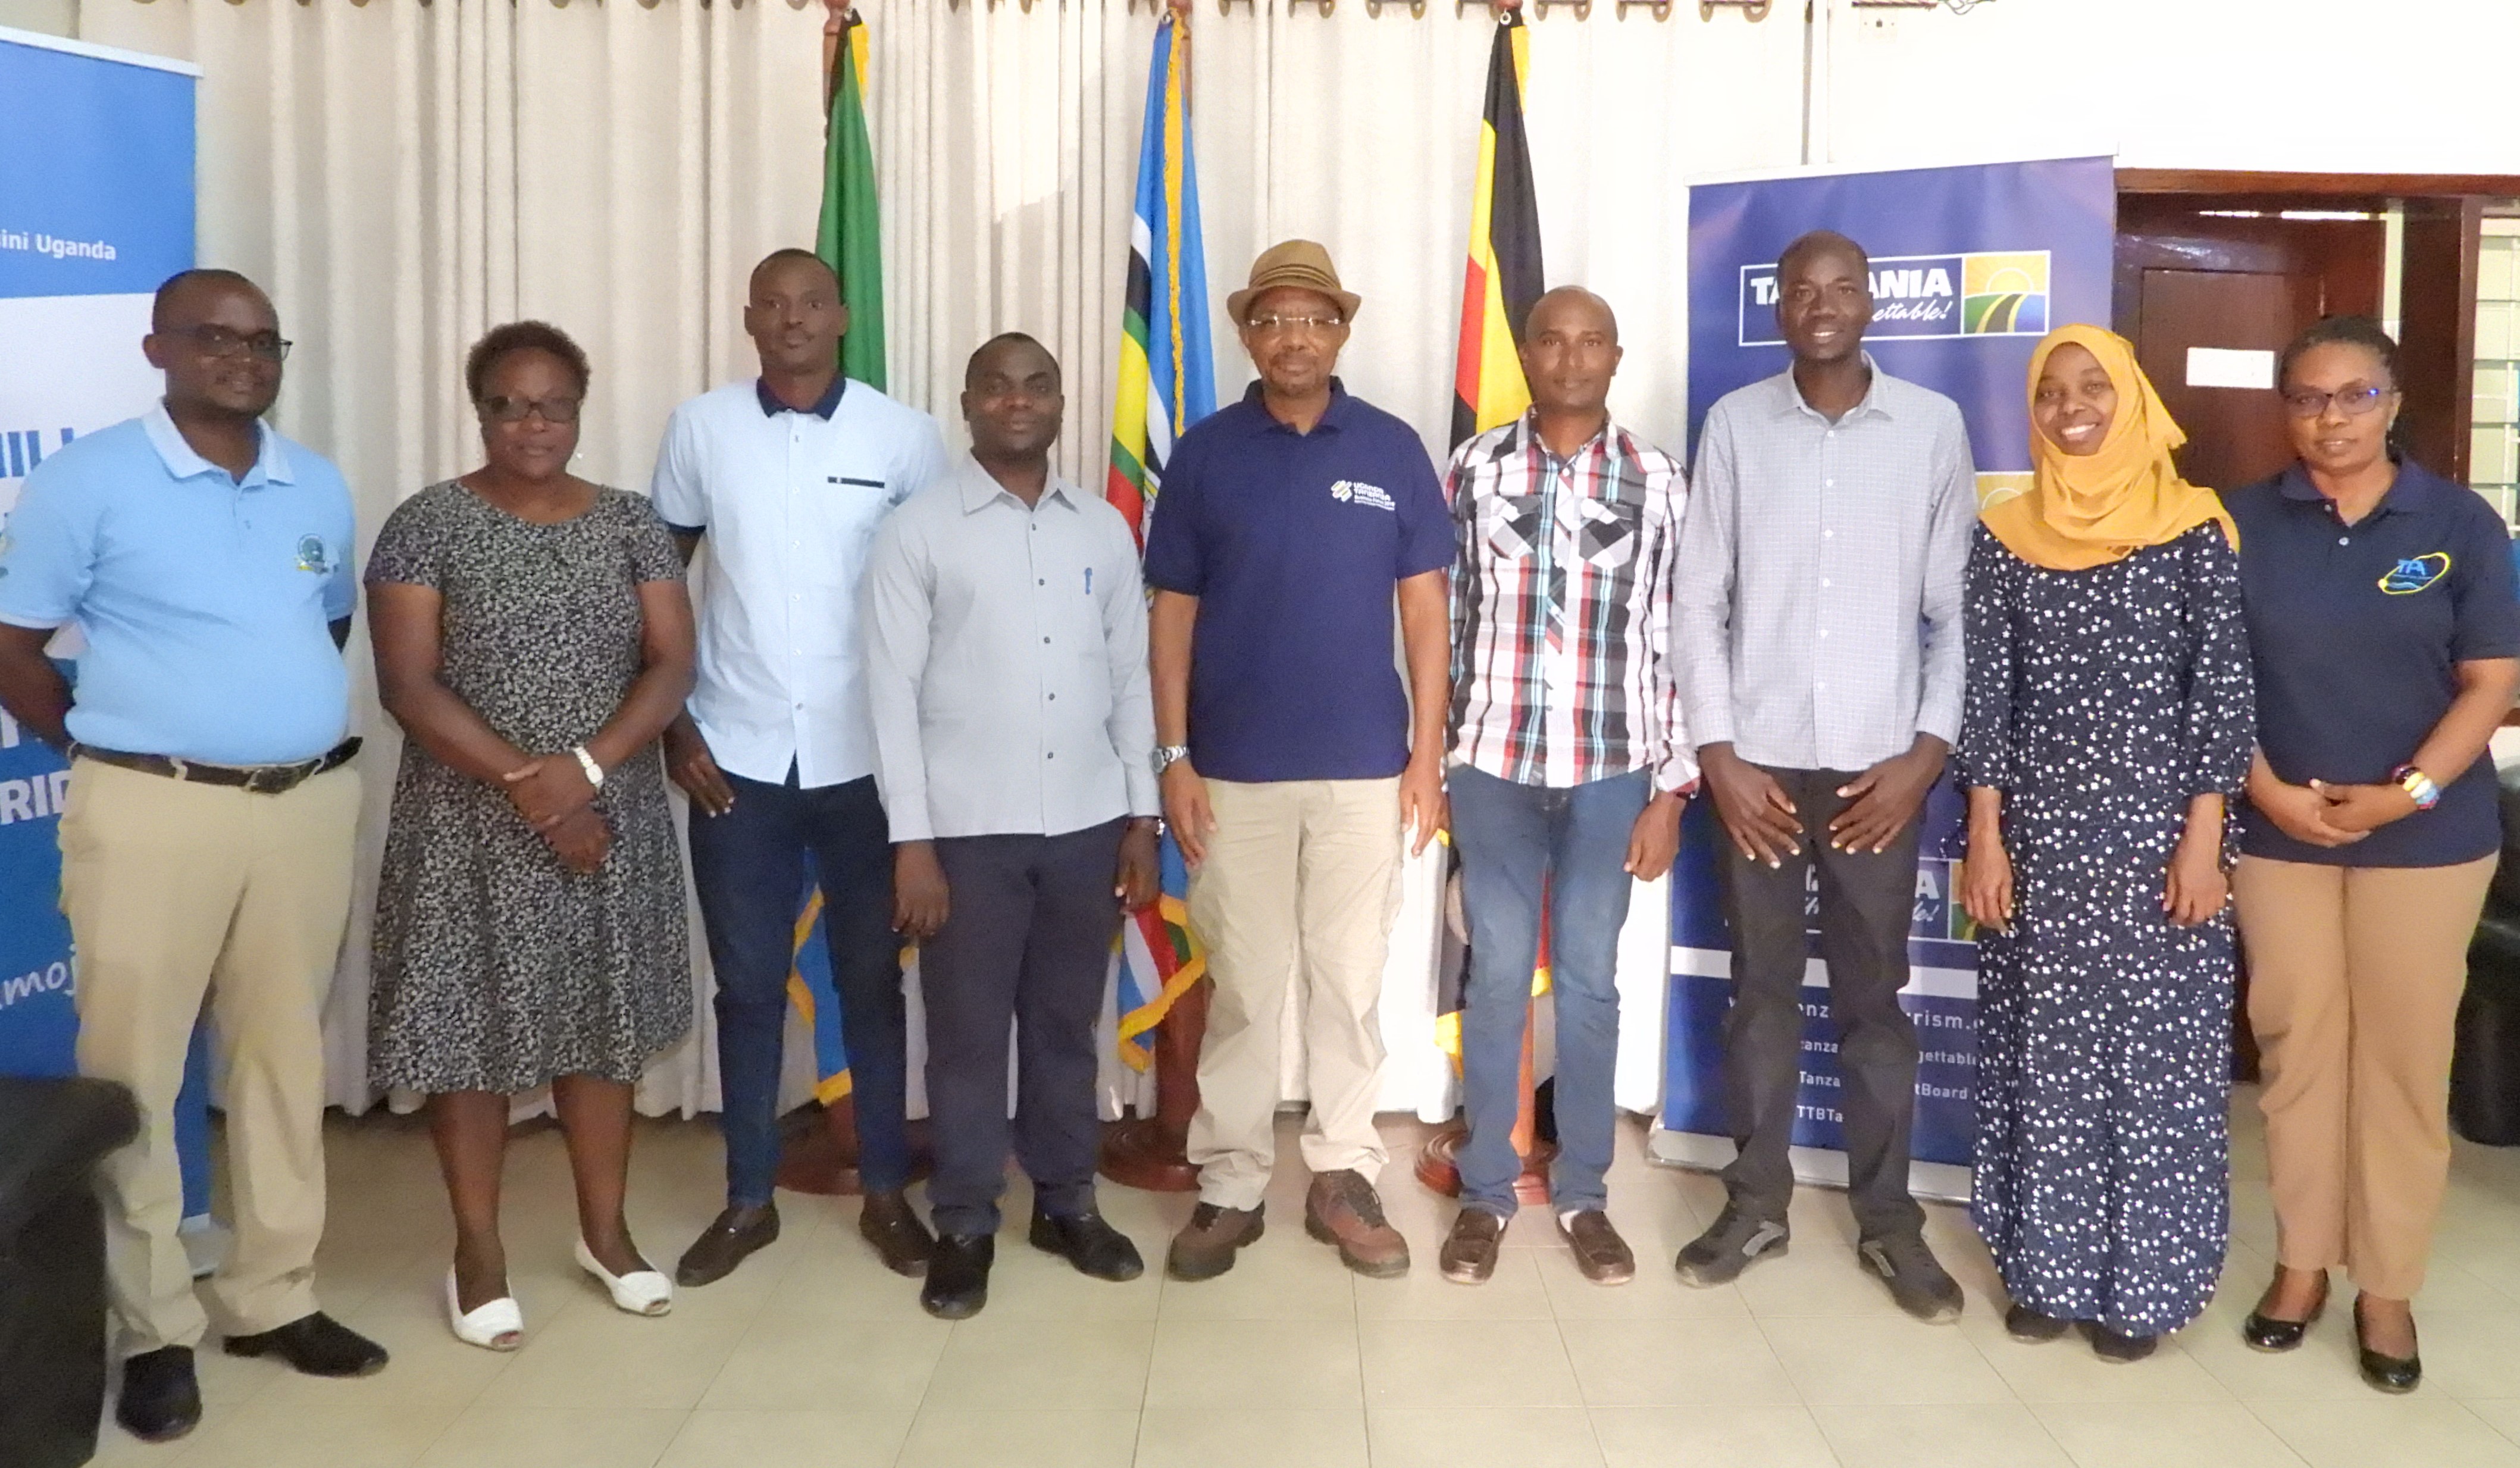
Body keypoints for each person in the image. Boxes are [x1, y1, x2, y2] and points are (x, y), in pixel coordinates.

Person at [0, 268, 386, 1442]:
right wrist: (103, 746)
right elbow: (14, 644)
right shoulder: (87, 481)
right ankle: (155, 1328)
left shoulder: (315, 483)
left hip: (302, 805)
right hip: (152, 811)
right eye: (215, 336)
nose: (243, 357)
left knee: (281, 1057)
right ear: (157, 348)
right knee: (136, 1075)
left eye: (263, 341)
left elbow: (322, 627)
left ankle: (272, 1295)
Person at [365, 321, 699, 1348]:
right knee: (468, 1039)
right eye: (508, 405)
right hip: (469, 825)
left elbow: (671, 665)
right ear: (480, 412)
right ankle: (478, 1254)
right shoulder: (426, 524)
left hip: (609, 818)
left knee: (602, 1027)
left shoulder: (632, 523)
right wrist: (537, 792)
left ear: (579, 410)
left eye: (553, 404)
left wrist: (585, 773)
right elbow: (407, 685)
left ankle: (606, 1235)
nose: (532, 424)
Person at [1671, 229, 1976, 1321]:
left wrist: (1924, 757)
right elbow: (1698, 598)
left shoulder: (1932, 427)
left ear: (1872, 302)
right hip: (1756, 770)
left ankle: (1889, 1222)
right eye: (1803, 290)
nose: (1824, 304)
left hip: (1877, 774)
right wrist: (1718, 752)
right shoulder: (1735, 425)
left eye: (1844, 287)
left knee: (1874, 1003)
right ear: (1781, 308)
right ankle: (1754, 1205)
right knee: (1758, 994)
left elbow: (1955, 612)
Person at [1145, 240, 1452, 1281]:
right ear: (1247, 334)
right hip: (1232, 775)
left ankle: (1343, 1176)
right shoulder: (1205, 455)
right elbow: (1172, 615)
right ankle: (1231, 1183)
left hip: (1365, 772)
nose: (1295, 338)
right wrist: (1175, 756)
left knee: (1349, 983)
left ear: (1342, 333)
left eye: (1315, 320)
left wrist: (1426, 757)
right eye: (1274, 320)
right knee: (1245, 984)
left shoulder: (1394, 449)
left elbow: (1425, 613)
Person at [2225, 317, 2520, 1393]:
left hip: (2428, 842)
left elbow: (2491, 680)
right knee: (2299, 1050)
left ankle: (2387, 1286)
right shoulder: (2239, 523)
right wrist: (2265, 790)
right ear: (2286, 410)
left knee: (2401, 1062)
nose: (2331, 418)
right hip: (2281, 835)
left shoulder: (2459, 523)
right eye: (2308, 398)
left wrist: (2407, 795)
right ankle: (2303, 1264)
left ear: (2392, 404)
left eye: (2354, 396)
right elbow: (2211, 677)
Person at [649, 249, 949, 1287]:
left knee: (872, 983)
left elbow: (937, 598)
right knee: (745, 988)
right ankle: (748, 1200)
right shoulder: (700, 429)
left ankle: (885, 1194)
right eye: (772, 305)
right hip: (733, 761)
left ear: (842, 316)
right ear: (749, 320)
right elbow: (659, 586)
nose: (792, 320)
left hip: (868, 760)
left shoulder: (904, 437)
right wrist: (673, 727)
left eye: (811, 303)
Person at [1956, 325, 2252, 1361]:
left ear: (2132, 399)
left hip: (2161, 846)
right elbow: (1986, 696)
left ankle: (2141, 1289)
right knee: (2042, 1060)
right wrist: (1984, 837)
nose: (2072, 407)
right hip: (2038, 845)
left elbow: (2221, 693)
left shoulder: (2194, 528)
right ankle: (2046, 1272)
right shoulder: (2005, 533)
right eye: (2051, 391)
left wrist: (2205, 839)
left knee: (2154, 1069)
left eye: (2093, 387)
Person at [862, 333, 1163, 1319]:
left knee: (1067, 1029)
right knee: (965, 1039)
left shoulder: (1103, 533)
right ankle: (965, 1222)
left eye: (1037, 386)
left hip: (1087, 823)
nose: (1018, 401)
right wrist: (913, 843)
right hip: (965, 834)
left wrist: (1141, 817)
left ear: (1062, 404)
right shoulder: (918, 532)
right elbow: (890, 695)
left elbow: (1129, 679)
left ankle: (1067, 1204)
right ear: (968, 404)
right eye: (997, 387)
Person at [1438, 286, 1689, 1287]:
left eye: (1592, 343)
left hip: (1611, 770)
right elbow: (1443, 617)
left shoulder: (1658, 480)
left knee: (1589, 980)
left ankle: (1585, 1192)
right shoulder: (1472, 469)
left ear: (1616, 358)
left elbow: (1678, 636)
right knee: (1496, 975)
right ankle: (1485, 1194)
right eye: (1553, 340)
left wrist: (1671, 790)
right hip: (1493, 764)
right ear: (1528, 353)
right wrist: (1438, 756)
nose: (1573, 359)